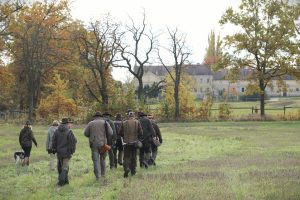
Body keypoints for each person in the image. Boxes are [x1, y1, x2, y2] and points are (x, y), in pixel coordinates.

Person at [84, 112, 113, 181]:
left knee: (96, 160)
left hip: (94, 144)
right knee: (102, 160)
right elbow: (111, 133)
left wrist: (91, 136)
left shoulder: (91, 123)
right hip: (103, 144)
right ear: (101, 116)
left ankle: (98, 177)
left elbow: (86, 133)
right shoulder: (105, 123)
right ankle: (103, 174)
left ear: (95, 116)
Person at [52, 118, 77, 186]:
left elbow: (53, 141)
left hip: (59, 152)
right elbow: (73, 142)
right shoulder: (69, 131)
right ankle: (61, 182)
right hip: (67, 152)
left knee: (60, 167)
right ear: (67, 123)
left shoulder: (56, 131)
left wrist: (54, 149)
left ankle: (66, 182)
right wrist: (72, 151)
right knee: (65, 167)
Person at [119, 111, 143, 178]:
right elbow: (141, 132)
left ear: (128, 116)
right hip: (135, 143)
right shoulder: (137, 122)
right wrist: (137, 137)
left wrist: (124, 137)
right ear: (134, 116)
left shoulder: (124, 122)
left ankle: (126, 168)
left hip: (126, 143)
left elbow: (120, 132)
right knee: (134, 157)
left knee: (126, 157)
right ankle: (133, 171)